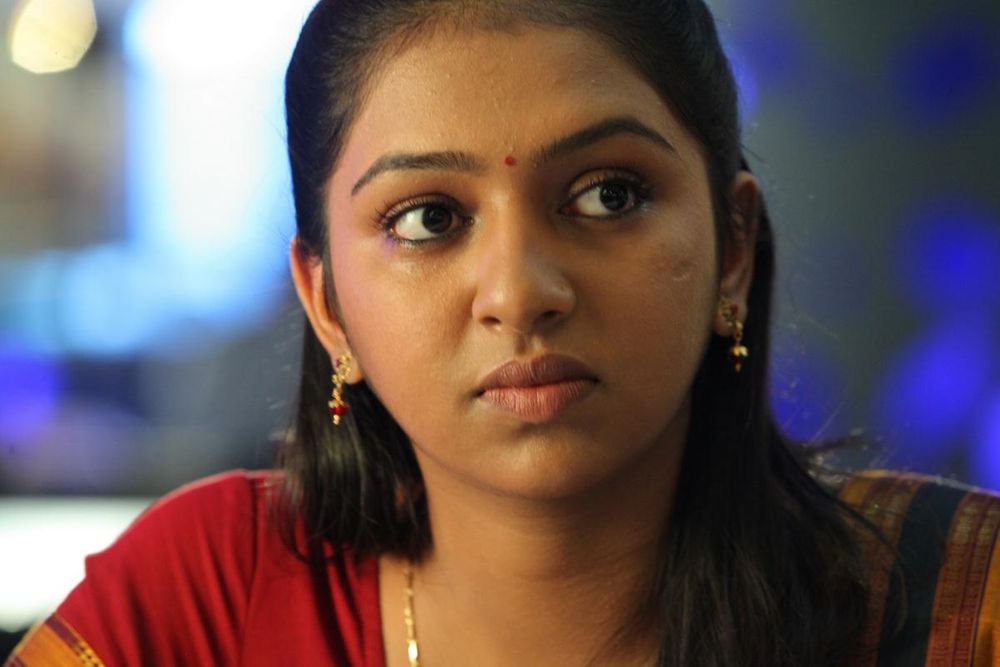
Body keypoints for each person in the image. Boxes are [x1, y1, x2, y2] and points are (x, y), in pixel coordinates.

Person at [8, 1, 1000, 665]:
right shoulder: (205, 605)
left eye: (609, 195)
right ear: (326, 303)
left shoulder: (960, 605)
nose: (520, 292)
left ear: (731, 247)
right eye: (427, 218)